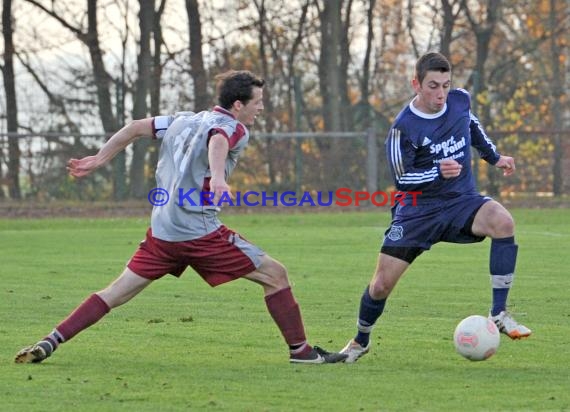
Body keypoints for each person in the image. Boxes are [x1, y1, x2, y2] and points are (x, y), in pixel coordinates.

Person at [15, 70, 346, 365]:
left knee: (116, 292)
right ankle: (302, 353)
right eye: (258, 102)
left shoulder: (183, 119)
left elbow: (134, 128)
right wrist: (218, 177)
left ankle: (50, 341)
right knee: (276, 275)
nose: (261, 108)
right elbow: (219, 140)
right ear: (237, 105)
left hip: (162, 233)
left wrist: (100, 159)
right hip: (199, 233)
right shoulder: (234, 128)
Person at [340, 52, 531, 363]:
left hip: (460, 200)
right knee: (380, 285)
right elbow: (402, 178)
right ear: (416, 84)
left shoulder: (459, 102)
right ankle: (360, 342)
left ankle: (498, 313)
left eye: (445, 85)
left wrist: (495, 158)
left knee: (503, 222)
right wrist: (436, 172)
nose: (440, 93)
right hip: (418, 210)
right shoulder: (404, 127)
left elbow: (472, 128)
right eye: (432, 86)